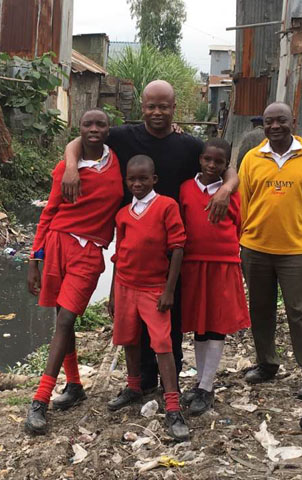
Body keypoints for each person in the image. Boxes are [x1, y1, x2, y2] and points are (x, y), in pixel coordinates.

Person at [60, 80, 239, 393]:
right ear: (142, 107)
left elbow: (227, 169)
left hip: (174, 244)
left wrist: (225, 189)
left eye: (164, 107)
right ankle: (142, 381)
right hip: (133, 237)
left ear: (174, 109)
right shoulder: (122, 137)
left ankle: (171, 383)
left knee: (171, 311)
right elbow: (82, 139)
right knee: (135, 318)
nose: (157, 112)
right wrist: (71, 167)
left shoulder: (190, 146)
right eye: (151, 106)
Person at [25, 109, 124, 434]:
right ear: (78, 128)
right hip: (56, 244)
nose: (94, 129)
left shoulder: (118, 165)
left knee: (67, 319)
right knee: (60, 320)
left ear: (109, 130)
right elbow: (49, 213)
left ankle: (39, 400)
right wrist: (33, 260)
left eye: (100, 124)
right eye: (87, 124)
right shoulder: (64, 168)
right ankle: (75, 384)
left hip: (90, 252)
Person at [238, 102, 302, 400]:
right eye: (269, 122)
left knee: (299, 311)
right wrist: (237, 241)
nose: (275, 126)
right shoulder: (253, 159)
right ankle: (267, 363)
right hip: (255, 248)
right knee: (260, 309)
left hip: (296, 250)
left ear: (294, 120)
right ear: (262, 125)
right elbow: (241, 205)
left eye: (281, 120)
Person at [107, 155, 189, 441]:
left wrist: (169, 290)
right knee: (128, 338)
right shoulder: (123, 214)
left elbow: (178, 248)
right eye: (132, 179)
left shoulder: (167, 206)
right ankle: (133, 387)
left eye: (143, 179)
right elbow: (118, 255)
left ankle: (173, 405)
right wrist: (113, 293)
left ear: (154, 179)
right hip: (126, 286)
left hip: (154, 288)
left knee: (162, 344)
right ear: (126, 181)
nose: (137, 184)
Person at [178, 138, 251, 416]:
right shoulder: (185, 189)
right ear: (200, 159)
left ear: (226, 165)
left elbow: (240, 226)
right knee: (199, 324)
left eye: (218, 162)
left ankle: (207, 386)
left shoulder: (232, 193)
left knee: (217, 324)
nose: (211, 165)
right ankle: (199, 382)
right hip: (193, 265)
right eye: (207, 159)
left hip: (222, 264)